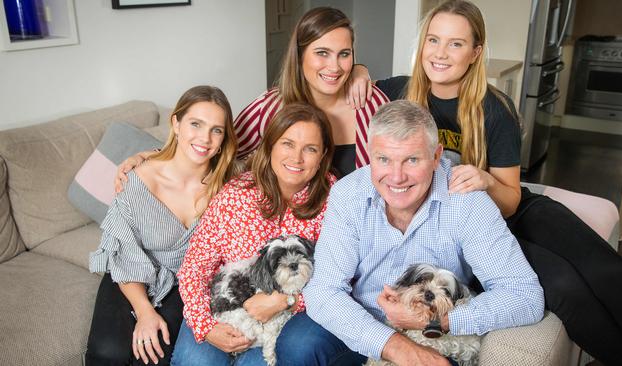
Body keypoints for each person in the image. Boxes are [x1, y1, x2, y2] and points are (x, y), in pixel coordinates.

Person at [349, 1, 622, 365]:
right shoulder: (399, 92)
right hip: (480, 232)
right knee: (567, 289)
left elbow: (510, 199)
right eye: (433, 40)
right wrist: (359, 70)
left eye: (456, 44)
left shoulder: (494, 109)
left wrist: (486, 181)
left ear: (475, 53)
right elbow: (356, 78)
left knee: (605, 267)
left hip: (513, 208)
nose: (440, 53)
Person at [293, 100, 544, 366]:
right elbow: (324, 290)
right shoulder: (348, 194)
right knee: (298, 345)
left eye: (412, 159)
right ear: (369, 155)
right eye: (384, 159)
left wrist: (441, 320)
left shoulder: (468, 202)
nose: (397, 177)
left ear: (437, 156)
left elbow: (525, 296)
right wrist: (394, 345)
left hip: (433, 333)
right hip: (360, 319)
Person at [170, 103, 336, 366]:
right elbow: (195, 268)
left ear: (323, 155)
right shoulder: (237, 194)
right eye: (287, 144)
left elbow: (339, 278)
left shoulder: (335, 201)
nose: (297, 158)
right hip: (222, 307)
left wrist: (287, 301)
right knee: (197, 362)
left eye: (310, 149)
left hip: (286, 319)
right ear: (270, 145)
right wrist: (205, 326)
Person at [85, 85, 240, 366]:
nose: (205, 138)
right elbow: (124, 254)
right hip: (131, 275)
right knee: (107, 352)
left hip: (185, 284)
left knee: (153, 356)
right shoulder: (138, 179)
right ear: (176, 123)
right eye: (195, 124)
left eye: (216, 130)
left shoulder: (229, 186)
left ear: (223, 138)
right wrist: (144, 311)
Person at [233, 6, 389, 177]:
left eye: (344, 54)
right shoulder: (270, 106)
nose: (334, 67)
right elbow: (220, 153)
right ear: (300, 56)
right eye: (322, 53)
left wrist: (360, 69)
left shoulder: (372, 104)